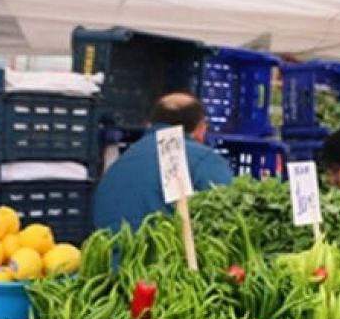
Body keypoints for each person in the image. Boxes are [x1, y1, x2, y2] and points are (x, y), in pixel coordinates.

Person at [92, 93, 234, 231]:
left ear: (149, 125)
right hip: (168, 253)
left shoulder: (119, 165)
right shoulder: (205, 160)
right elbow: (227, 221)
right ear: (201, 129)